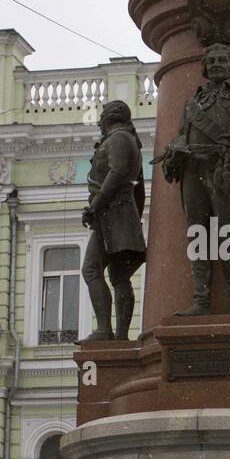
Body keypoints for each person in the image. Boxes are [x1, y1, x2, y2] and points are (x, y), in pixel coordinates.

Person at [159, 44, 230, 315]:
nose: (217, 64)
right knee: (197, 235)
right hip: (193, 170)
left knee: (227, 235)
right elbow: (182, 134)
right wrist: (175, 150)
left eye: (222, 60)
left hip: (223, 169)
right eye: (212, 60)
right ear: (205, 67)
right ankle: (201, 301)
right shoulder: (191, 104)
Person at [81, 100, 146, 340]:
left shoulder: (118, 139)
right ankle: (118, 336)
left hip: (111, 214)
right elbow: (139, 191)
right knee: (120, 276)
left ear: (110, 116)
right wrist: (133, 219)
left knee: (91, 268)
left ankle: (105, 330)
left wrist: (95, 207)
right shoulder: (127, 140)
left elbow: (117, 173)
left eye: (102, 115)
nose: (98, 120)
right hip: (121, 215)